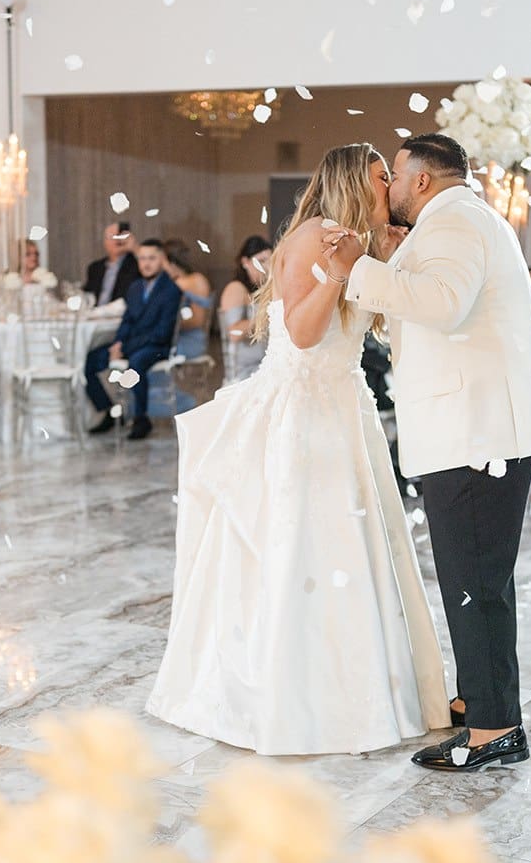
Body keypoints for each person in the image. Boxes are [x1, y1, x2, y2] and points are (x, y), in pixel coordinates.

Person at [146, 142, 452, 756]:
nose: (390, 184)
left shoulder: (358, 238)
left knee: (355, 546)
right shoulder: (318, 235)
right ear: (351, 182)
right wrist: (344, 272)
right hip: (305, 412)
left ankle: (361, 688)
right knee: (302, 548)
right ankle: (295, 701)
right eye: (381, 176)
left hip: (346, 407)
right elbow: (303, 334)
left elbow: (376, 326)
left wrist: (385, 271)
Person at [324, 132, 531, 772]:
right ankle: (487, 705)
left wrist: (359, 272)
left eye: (395, 176)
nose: (390, 188)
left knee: (474, 586)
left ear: (422, 180)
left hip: (477, 434)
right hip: (476, 431)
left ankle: (493, 733)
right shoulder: (458, 221)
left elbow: (443, 304)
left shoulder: (456, 221)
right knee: (479, 583)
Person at [83, 239, 179, 440]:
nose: (146, 263)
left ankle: (141, 419)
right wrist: (117, 342)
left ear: (162, 260)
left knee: (136, 363)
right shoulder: (135, 287)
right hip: (130, 344)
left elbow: (162, 332)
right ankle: (109, 411)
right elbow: (127, 320)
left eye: (151, 258)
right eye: (142, 258)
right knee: (90, 360)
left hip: (157, 346)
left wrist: (124, 348)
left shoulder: (171, 290)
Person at [218, 235, 272, 378]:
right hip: (246, 369)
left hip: (266, 363)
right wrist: (267, 315)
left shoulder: (267, 289)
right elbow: (234, 333)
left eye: (270, 261)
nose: (266, 267)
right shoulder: (236, 288)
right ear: (245, 262)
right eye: (261, 261)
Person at [162, 238, 212, 359]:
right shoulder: (188, 280)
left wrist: (167, 324)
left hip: (187, 342)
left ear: (171, 263)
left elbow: (198, 320)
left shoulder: (190, 281)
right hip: (179, 339)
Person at [85, 221, 139, 307]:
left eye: (118, 236)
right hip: (95, 315)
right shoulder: (95, 267)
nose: (115, 241)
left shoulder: (136, 264)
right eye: (109, 237)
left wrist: (135, 248)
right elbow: (87, 296)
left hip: (120, 316)